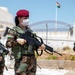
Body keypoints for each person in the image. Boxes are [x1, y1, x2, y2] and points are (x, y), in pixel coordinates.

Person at [6, 9, 45, 75]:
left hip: (32, 60)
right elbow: (8, 44)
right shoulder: (14, 30)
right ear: (19, 18)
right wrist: (17, 41)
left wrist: (40, 46)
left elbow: (33, 44)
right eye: (25, 18)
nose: (27, 20)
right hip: (21, 61)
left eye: (28, 18)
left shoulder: (30, 31)